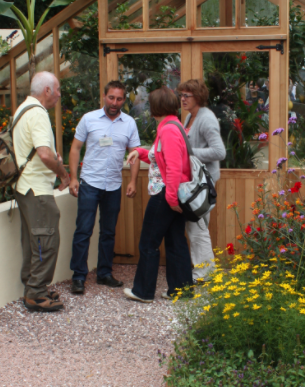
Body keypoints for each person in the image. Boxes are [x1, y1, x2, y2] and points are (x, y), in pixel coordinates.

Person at [68, 80, 141, 293]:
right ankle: (79, 276)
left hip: (114, 186)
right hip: (90, 183)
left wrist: (134, 181)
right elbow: (75, 149)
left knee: (108, 232)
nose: (114, 102)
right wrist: (73, 178)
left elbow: (135, 154)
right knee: (84, 230)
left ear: (123, 100)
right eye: (111, 97)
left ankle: (104, 273)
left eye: (119, 99)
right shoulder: (89, 119)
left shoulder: (129, 123)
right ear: (104, 96)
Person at [123, 87, 193, 303]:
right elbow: (160, 157)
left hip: (166, 194)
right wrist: (140, 152)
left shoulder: (168, 130)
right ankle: (181, 291)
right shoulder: (173, 125)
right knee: (175, 242)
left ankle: (143, 291)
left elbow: (172, 167)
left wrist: (171, 199)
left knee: (148, 243)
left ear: (154, 108)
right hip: (172, 193)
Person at [13, 71, 71, 313]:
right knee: (46, 241)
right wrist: (63, 172)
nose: (59, 95)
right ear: (47, 90)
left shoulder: (22, 109)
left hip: (25, 186)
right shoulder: (37, 113)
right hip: (36, 189)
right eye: (57, 90)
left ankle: (32, 286)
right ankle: (36, 294)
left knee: (33, 240)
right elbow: (44, 154)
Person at [177, 79, 226, 282]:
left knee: (197, 226)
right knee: (196, 225)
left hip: (204, 184)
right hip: (194, 182)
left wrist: (188, 153)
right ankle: (204, 270)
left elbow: (219, 151)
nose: (182, 99)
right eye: (181, 95)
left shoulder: (206, 119)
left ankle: (205, 273)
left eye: (186, 95)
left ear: (198, 96)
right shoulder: (190, 117)